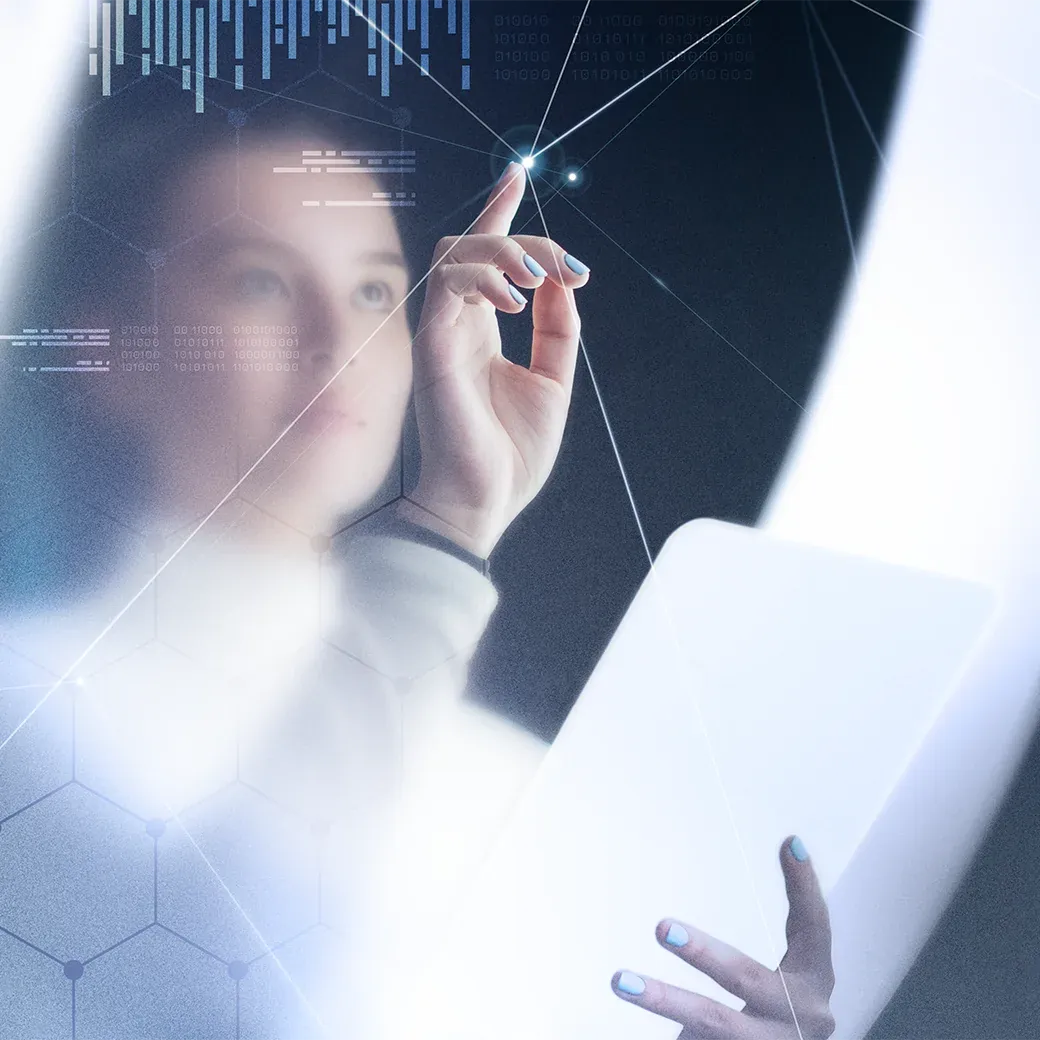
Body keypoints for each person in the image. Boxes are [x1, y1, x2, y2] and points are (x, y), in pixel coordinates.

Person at [0, 76, 835, 1039]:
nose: (339, 339)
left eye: (372, 291)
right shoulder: (34, 715)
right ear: (106, 345)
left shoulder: (519, 788)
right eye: (259, 280)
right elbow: (213, 996)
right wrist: (446, 530)